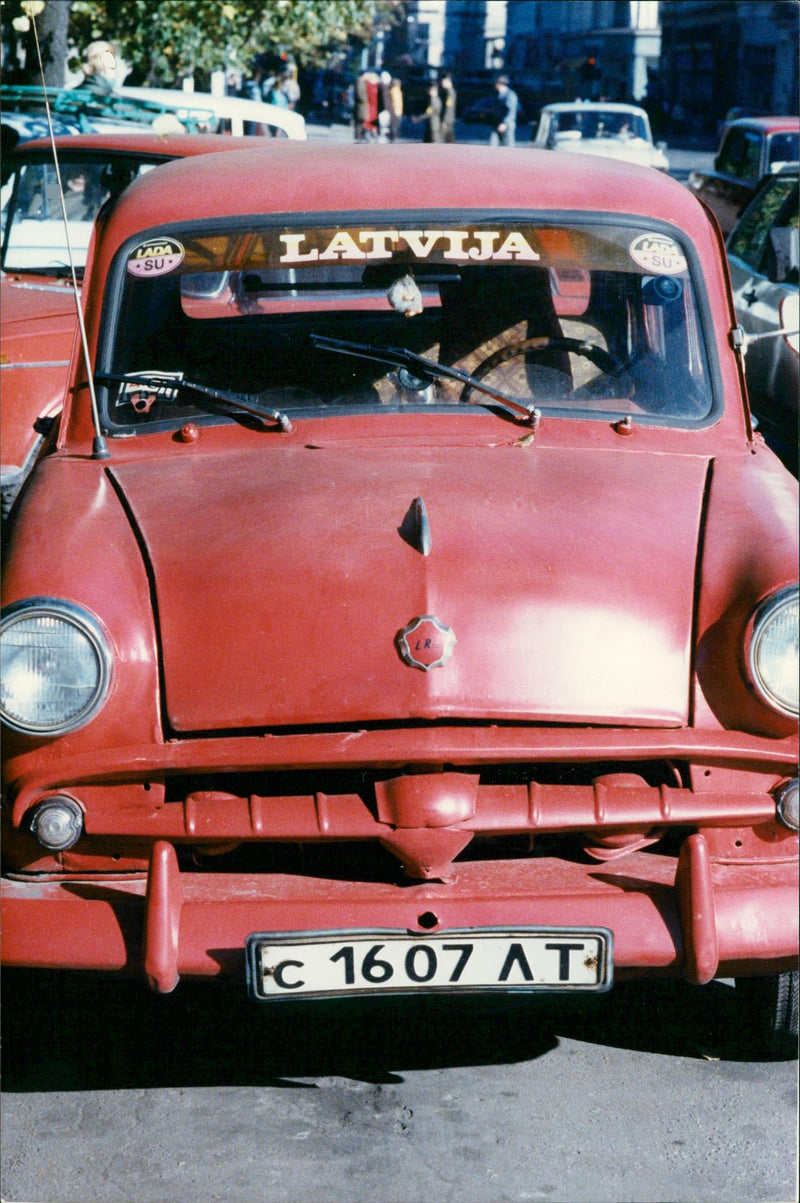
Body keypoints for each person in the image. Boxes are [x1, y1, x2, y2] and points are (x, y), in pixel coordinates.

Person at [490, 75, 518, 147]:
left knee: (508, 147)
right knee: (493, 146)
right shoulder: (497, 94)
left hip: (507, 125)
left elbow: (511, 111)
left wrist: (505, 124)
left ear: (499, 84)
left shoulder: (510, 95)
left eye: (496, 83)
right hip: (497, 124)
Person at [439, 70, 457, 143]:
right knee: (449, 141)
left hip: (448, 121)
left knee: (448, 141)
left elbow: (449, 108)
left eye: (443, 82)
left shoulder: (450, 93)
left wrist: (444, 121)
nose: (442, 83)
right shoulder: (447, 92)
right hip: (449, 120)